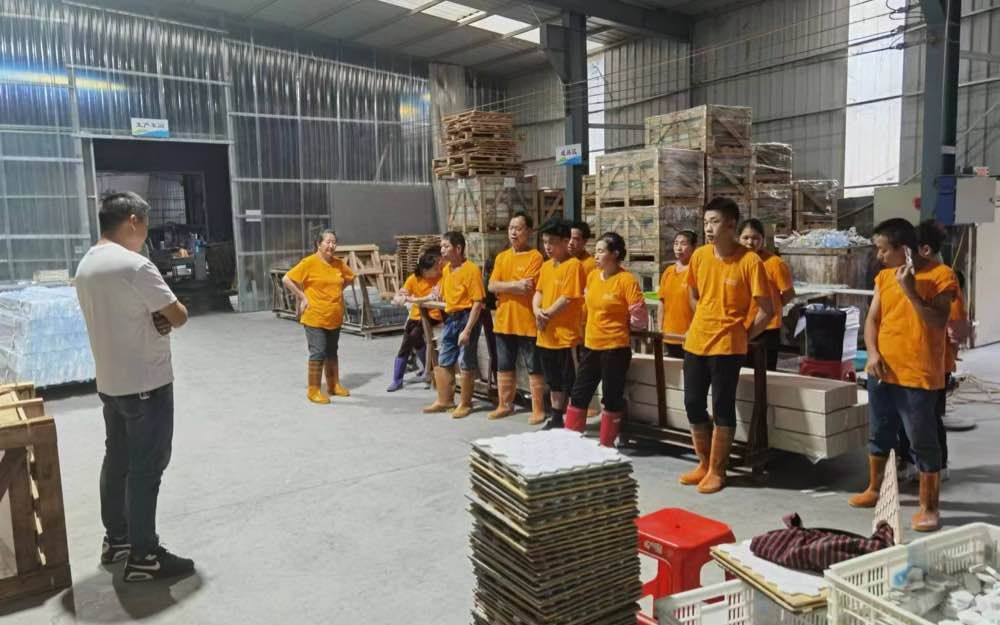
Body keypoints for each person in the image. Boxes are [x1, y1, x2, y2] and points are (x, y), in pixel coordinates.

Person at [75, 191, 194, 582]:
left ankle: (118, 540)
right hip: (146, 383)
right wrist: (164, 316)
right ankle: (144, 556)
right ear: (132, 221)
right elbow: (178, 315)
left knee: (118, 461)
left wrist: (153, 318)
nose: (145, 233)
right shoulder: (135, 265)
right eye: (145, 225)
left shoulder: (87, 265)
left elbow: (126, 316)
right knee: (146, 469)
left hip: (111, 382)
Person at [850, 218, 956, 533]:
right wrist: (872, 353)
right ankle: (874, 489)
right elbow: (872, 320)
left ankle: (929, 507)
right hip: (882, 371)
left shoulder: (941, 276)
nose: (879, 256)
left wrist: (910, 291)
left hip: (918, 376)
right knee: (879, 432)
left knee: (922, 440)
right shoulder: (884, 277)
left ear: (905, 250)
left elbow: (937, 321)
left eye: (883, 250)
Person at [681, 198, 772, 494]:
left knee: (722, 406)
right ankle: (704, 463)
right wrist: (702, 317)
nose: (708, 228)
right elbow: (692, 293)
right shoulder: (700, 256)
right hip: (696, 341)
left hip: (728, 346)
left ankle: (718, 470)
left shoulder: (750, 261)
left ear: (731, 225)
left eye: (715, 222)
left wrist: (744, 335)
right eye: (706, 222)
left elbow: (767, 309)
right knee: (692, 402)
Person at [896, 220, 969, 482]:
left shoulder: (944, 278)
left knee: (929, 416)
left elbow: (956, 326)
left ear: (924, 250)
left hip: (936, 362)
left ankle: (938, 465)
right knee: (908, 415)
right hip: (910, 359)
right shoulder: (907, 275)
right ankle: (909, 460)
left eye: (906, 250)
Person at [564, 232, 649, 446]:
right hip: (591, 345)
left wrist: (629, 326)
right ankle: (570, 441)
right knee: (579, 393)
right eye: (596, 251)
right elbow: (586, 307)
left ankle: (607, 443)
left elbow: (639, 315)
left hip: (615, 348)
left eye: (601, 251)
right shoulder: (593, 276)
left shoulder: (626, 280)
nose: (596, 255)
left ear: (615, 254)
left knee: (611, 397)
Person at [283, 229, 356, 404]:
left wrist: (337, 291)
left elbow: (350, 277)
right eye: (328, 242)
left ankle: (333, 385)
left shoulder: (339, 264)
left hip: (334, 315)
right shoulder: (309, 262)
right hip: (314, 315)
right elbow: (287, 279)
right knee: (318, 351)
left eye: (334, 242)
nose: (331, 245)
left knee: (332, 351)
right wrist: (303, 297)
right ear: (318, 244)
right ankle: (313, 390)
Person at [487, 212, 545, 421]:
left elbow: (527, 287)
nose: (513, 232)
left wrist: (504, 286)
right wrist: (515, 285)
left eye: (518, 228)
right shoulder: (502, 257)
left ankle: (538, 409)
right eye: (511, 228)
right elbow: (491, 286)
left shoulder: (535, 257)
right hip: (504, 321)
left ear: (528, 231)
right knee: (504, 365)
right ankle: (505, 404)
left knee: (534, 366)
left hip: (527, 321)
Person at [423, 231, 485, 418]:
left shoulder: (472, 270)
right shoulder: (446, 269)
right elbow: (443, 292)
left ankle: (465, 403)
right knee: (444, 357)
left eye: (446, 246)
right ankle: (445, 400)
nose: (442, 250)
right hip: (451, 318)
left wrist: (467, 330)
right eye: (441, 246)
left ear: (458, 248)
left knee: (466, 360)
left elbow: (477, 303)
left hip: (467, 317)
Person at [533, 219, 588, 429]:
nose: (548, 247)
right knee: (553, 380)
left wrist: (545, 314)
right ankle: (556, 417)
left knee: (570, 380)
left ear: (566, 242)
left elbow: (567, 298)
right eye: (545, 242)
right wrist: (537, 310)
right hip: (546, 334)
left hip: (566, 336)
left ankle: (574, 420)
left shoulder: (573, 266)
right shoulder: (546, 266)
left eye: (552, 242)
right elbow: (538, 292)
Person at [738, 218, 795, 371]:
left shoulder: (775, 263)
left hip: (767, 328)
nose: (750, 242)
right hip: (741, 326)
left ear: (763, 240)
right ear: (738, 239)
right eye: (745, 238)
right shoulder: (735, 262)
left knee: (764, 373)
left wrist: (773, 307)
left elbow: (789, 293)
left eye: (755, 238)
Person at [387, 250, 442, 392]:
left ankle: (427, 372)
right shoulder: (413, 279)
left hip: (433, 315)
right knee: (410, 341)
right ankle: (399, 379)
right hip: (416, 315)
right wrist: (400, 297)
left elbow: (433, 297)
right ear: (425, 270)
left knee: (413, 336)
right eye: (435, 268)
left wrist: (413, 299)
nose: (438, 270)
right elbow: (402, 294)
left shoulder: (440, 278)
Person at [657, 231, 698, 358]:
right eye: (676, 243)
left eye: (683, 244)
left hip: (689, 336)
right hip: (668, 335)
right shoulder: (668, 272)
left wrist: (693, 330)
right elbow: (662, 302)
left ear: (693, 247)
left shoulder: (697, 271)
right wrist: (660, 329)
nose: (678, 248)